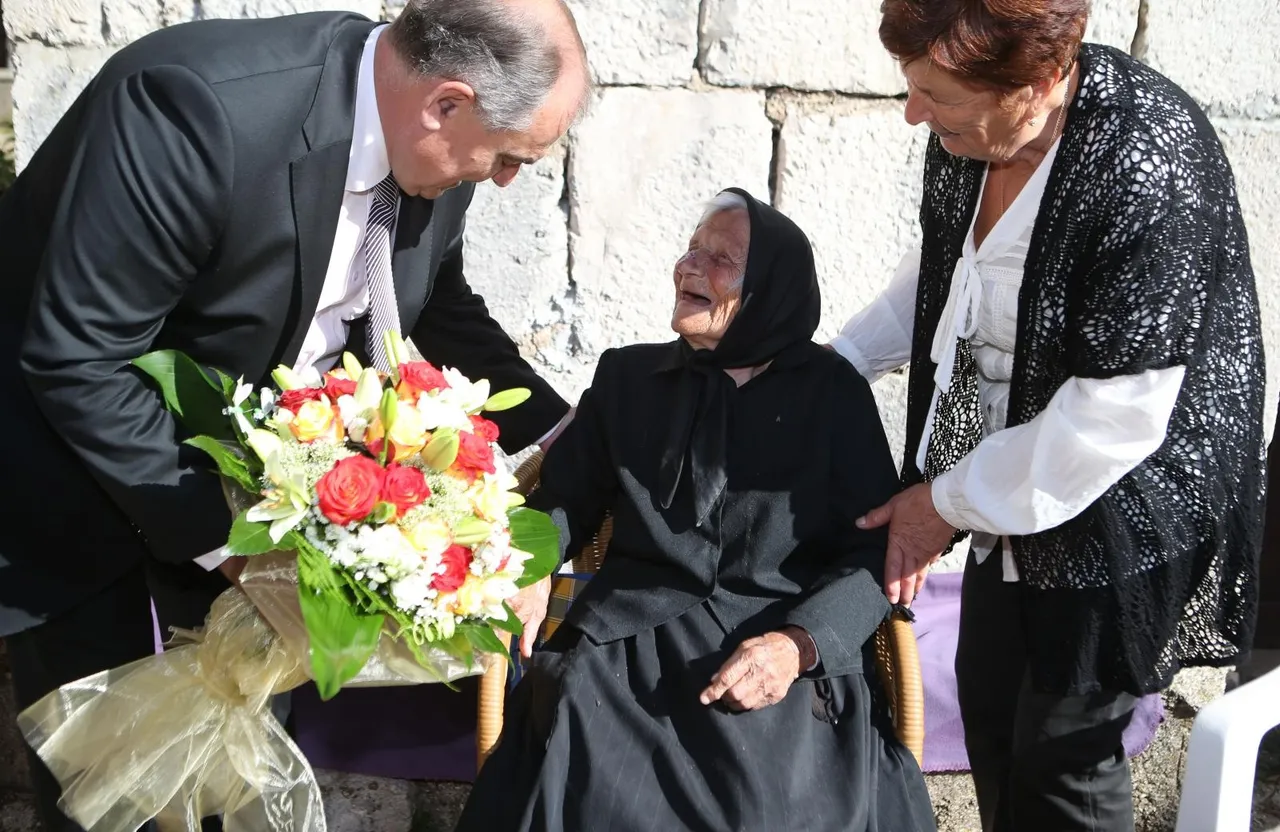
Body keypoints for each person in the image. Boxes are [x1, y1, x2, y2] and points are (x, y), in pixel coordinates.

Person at [0, 1, 588, 829]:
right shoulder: (197, 110)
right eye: (507, 156)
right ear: (446, 103)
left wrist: (573, 438)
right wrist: (241, 552)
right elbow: (76, 359)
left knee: (238, 791)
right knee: (118, 802)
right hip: (80, 490)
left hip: (256, 506)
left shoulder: (429, 154)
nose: (502, 179)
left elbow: (433, 302)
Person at [828, 2, 1266, 830]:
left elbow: (1114, 416)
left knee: (1066, 749)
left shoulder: (1144, 155)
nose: (915, 114)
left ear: (1033, 88)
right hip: (1015, 476)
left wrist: (940, 504)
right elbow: (938, 281)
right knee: (991, 708)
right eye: (912, 89)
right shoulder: (972, 137)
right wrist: (831, 367)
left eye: (936, 97)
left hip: (1133, 494)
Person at [456, 189, 936, 832]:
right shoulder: (628, 379)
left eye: (722, 259)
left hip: (778, 643)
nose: (690, 267)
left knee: (782, 807)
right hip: (631, 644)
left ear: (772, 288)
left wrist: (801, 645)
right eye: (691, 249)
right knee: (599, 793)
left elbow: (872, 549)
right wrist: (532, 567)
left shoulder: (834, 396)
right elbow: (561, 500)